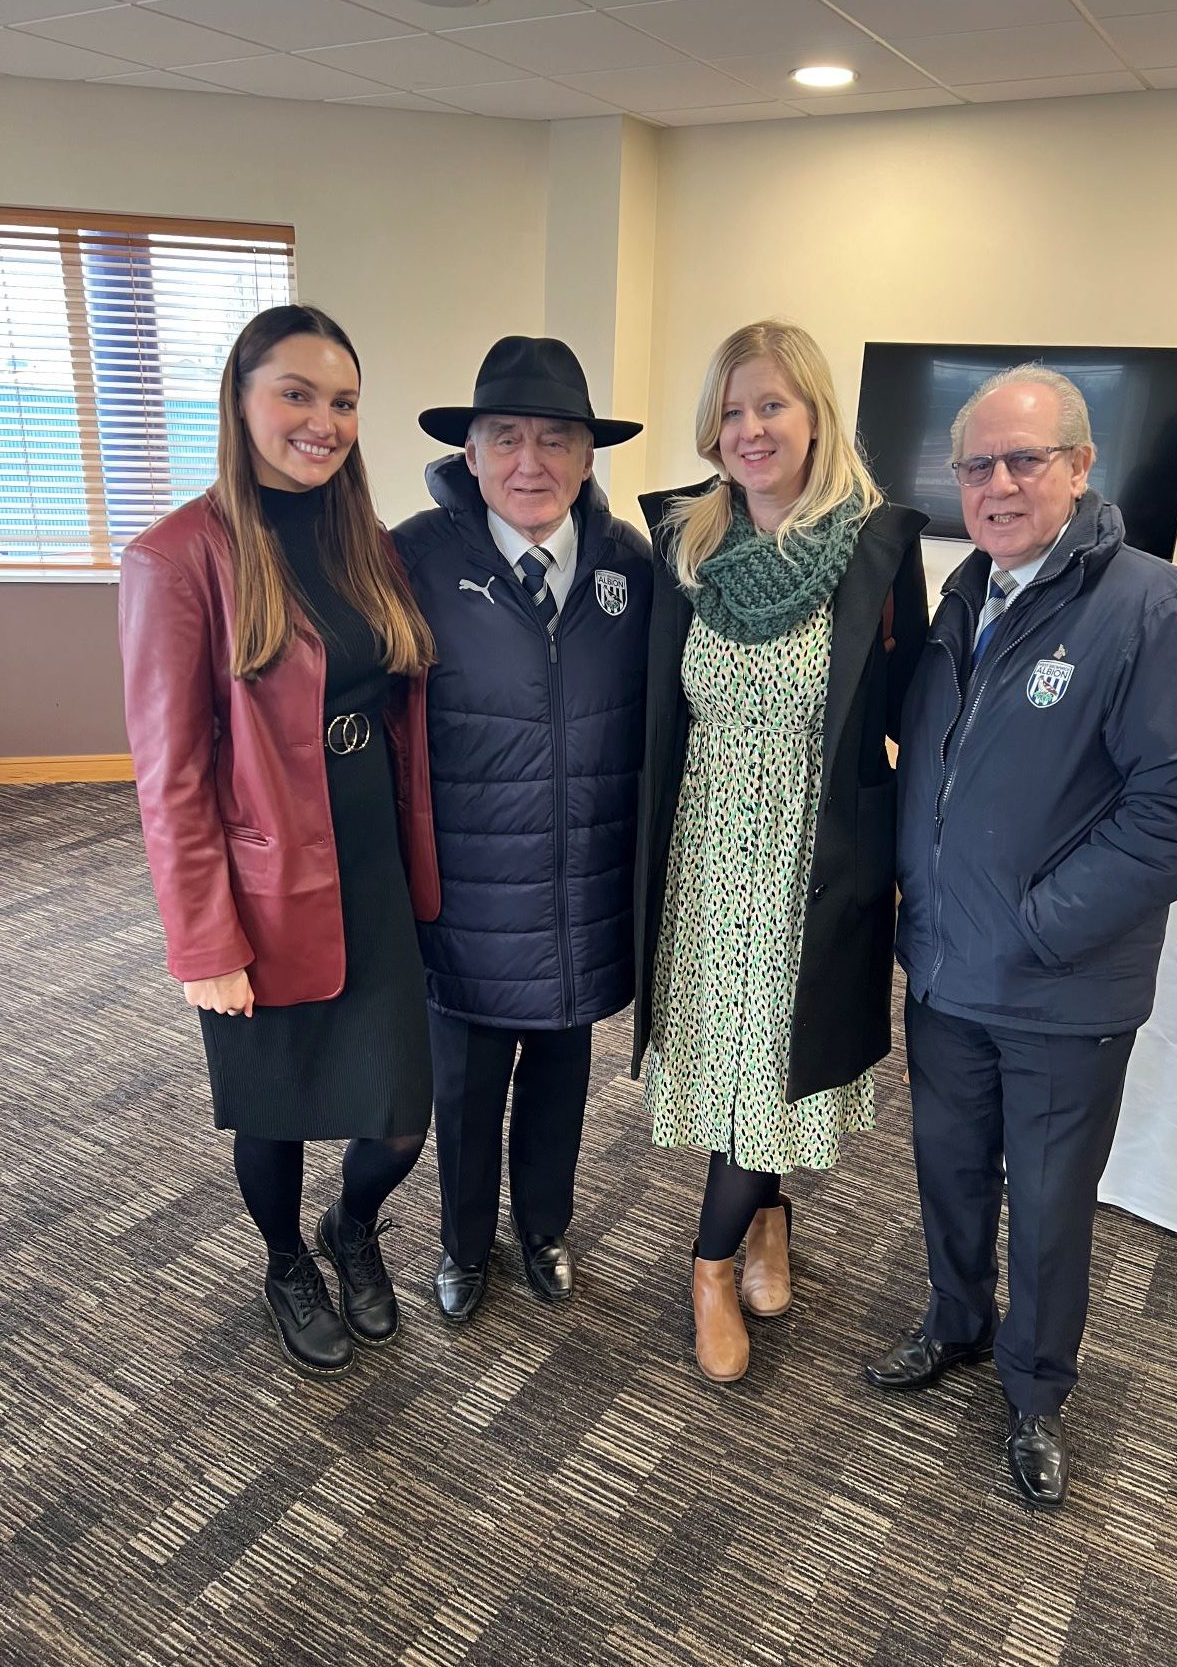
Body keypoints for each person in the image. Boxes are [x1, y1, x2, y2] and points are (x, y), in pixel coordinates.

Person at [865, 364, 1177, 1509]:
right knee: (947, 1173)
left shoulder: (1150, 605)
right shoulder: (959, 601)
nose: (997, 483)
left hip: (1058, 989)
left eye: (1026, 459)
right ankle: (957, 1322)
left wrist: (1035, 925)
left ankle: (1035, 1391)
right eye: (976, 464)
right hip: (941, 970)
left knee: (1052, 1198)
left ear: (1081, 467)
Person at [119, 304, 440, 1380]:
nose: (323, 420)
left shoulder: (367, 543)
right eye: (295, 393)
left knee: (399, 1112)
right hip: (261, 877)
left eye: (342, 400)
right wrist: (202, 939)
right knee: (280, 1104)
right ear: (242, 401)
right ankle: (283, 1258)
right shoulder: (178, 558)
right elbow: (169, 775)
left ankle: (354, 1228)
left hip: (369, 860)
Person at [633, 320, 928, 1384]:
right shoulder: (687, 546)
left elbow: (904, 720)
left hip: (814, 864)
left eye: (773, 405)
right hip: (706, 857)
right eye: (732, 408)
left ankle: (709, 1262)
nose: (750, 428)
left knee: (771, 1072)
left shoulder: (877, 550)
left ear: (815, 417)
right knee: (732, 1076)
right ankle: (768, 1220)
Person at [391, 336, 651, 1322]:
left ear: (589, 457)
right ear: (471, 453)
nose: (530, 463)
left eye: (556, 440)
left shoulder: (632, 565)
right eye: (507, 438)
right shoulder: (412, 558)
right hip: (463, 895)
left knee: (559, 1081)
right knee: (463, 1090)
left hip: (583, 890)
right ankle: (463, 1246)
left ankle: (542, 1228)